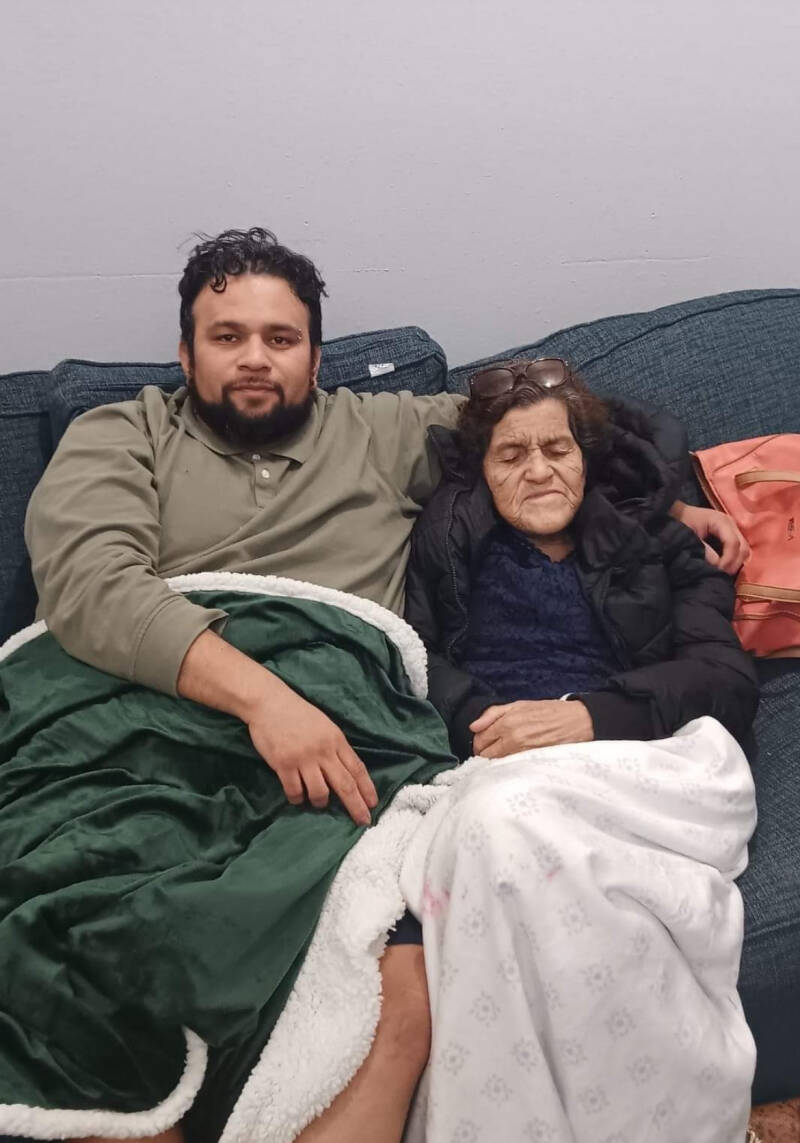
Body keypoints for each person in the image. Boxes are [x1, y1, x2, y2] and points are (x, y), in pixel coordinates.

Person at [13, 229, 746, 1143]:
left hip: (348, 727)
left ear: (317, 359)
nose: (255, 358)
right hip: (143, 720)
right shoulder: (120, 434)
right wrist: (267, 702)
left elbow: (561, 432)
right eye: (227, 335)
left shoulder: (385, 430)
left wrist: (661, 500)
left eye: (281, 338)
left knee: (397, 972)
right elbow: (91, 584)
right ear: (185, 353)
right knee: (78, 926)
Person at [401, 357, 760, 1142]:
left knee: (500, 819)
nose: (538, 470)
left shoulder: (656, 541)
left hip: (638, 754)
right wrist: (492, 723)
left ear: (587, 458)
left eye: (557, 449)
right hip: (502, 764)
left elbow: (725, 682)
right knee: (494, 821)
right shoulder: (448, 540)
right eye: (511, 453)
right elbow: (418, 662)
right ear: (481, 468)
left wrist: (585, 717)